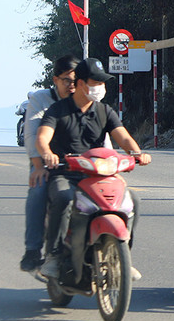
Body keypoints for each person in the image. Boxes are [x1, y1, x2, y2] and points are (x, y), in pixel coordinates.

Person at [37, 57, 151, 278]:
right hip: (66, 173)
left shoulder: (104, 111)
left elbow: (124, 138)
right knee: (63, 197)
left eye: (102, 83)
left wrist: (137, 154)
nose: (100, 88)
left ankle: (123, 256)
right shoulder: (57, 110)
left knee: (132, 200)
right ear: (80, 84)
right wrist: (47, 154)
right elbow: (43, 138)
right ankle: (54, 256)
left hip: (99, 174)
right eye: (95, 82)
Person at [19, 54, 80, 272]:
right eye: (67, 80)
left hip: (82, 163)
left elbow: (102, 133)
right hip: (46, 162)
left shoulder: (86, 98)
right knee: (39, 188)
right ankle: (33, 249)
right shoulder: (40, 99)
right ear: (55, 80)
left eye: (77, 81)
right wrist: (37, 165)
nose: (72, 86)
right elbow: (32, 134)